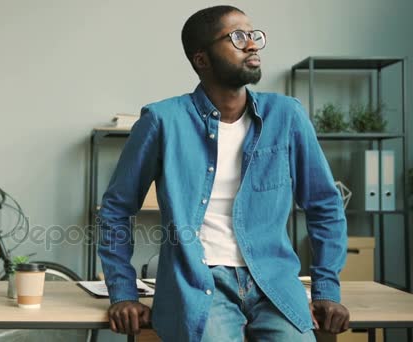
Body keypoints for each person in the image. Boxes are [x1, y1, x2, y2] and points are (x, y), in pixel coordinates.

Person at [96, 5, 350, 342]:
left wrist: (327, 289)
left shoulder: (286, 116)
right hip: (199, 283)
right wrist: (123, 293)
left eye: (254, 35)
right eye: (237, 37)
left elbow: (324, 205)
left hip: (274, 281)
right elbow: (115, 209)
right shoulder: (162, 121)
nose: (252, 44)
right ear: (201, 59)